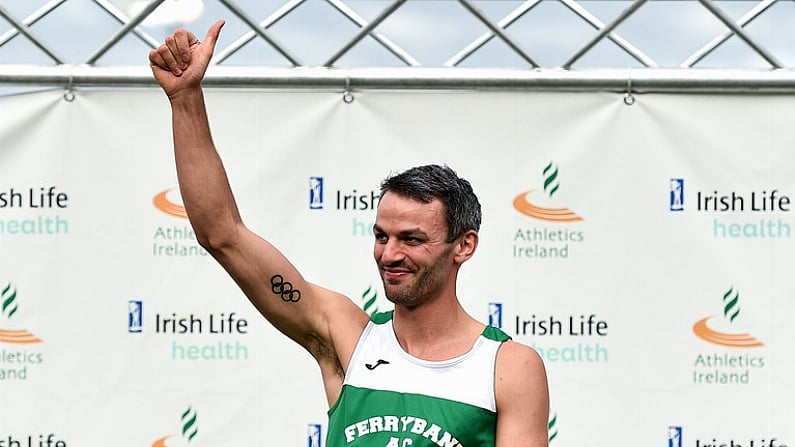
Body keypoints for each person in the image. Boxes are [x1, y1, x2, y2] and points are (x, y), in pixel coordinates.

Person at [149, 20, 549, 447]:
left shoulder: (507, 366)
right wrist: (185, 99)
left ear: (463, 246)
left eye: (412, 240)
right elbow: (222, 235)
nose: (390, 254)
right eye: (382, 236)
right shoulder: (347, 338)